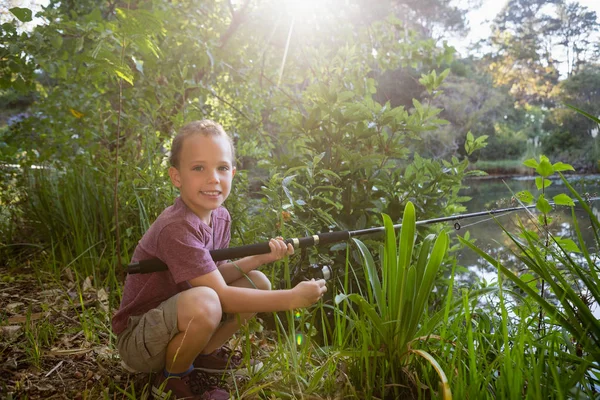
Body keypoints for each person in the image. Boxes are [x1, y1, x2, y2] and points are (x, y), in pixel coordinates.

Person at [111, 120, 327, 400]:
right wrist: (291, 299)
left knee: (257, 282)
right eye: (199, 168)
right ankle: (171, 380)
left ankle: (202, 355)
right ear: (176, 177)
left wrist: (258, 258)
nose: (213, 178)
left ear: (233, 173)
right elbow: (221, 296)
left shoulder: (220, 216)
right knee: (207, 302)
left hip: (179, 319)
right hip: (140, 342)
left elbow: (214, 275)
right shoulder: (176, 226)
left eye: (222, 168)